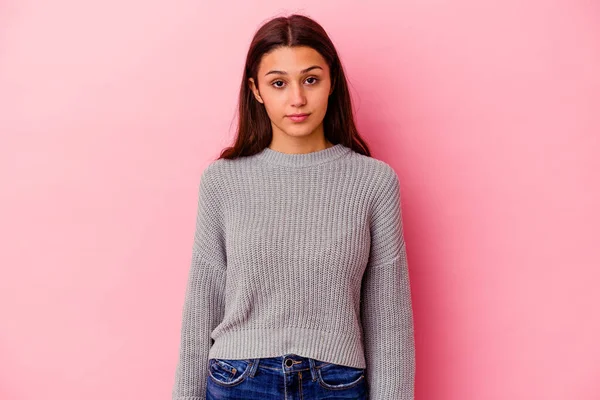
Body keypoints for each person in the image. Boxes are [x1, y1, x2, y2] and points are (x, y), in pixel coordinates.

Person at [172, 13, 415, 400]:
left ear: (331, 81)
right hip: (239, 380)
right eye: (279, 83)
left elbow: (389, 319)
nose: (297, 98)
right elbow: (202, 305)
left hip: (337, 384)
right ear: (256, 90)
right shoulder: (222, 182)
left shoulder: (374, 182)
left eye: (311, 79)